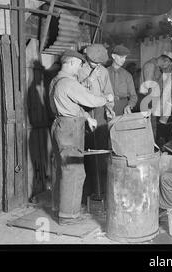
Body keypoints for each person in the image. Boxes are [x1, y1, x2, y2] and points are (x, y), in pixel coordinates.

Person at [49, 50, 114, 225]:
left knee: (62, 169)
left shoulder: (56, 80)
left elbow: (72, 104)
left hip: (60, 124)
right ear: (70, 63)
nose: (79, 68)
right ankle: (68, 216)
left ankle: (58, 207)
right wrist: (105, 99)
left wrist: (87, 117)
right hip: (70, 128)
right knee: (74, 171)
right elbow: (90, 100)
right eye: (78, 65)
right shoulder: (69, 83)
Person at [79, 44, 115, 201]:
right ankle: (88, 193)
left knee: (101, 153)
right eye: (94, 63)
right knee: (87, 153)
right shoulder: (80, 70)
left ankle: (102, 192)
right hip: (85, 113)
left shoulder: (104, 71)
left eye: (100, 63)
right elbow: (76, 92)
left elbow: (108, 93)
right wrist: (90, 79)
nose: (97, 66)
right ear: (87, 58)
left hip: (100, 114)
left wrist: (109, 107)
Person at [139, 51, 172, 138]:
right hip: (149, 99)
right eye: (169, 64)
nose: (168, 67)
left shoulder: (156, 67)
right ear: (166, 61)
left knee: (154, 126)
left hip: (153, 99)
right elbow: (149, 85)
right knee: (151, 127)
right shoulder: (150, 65)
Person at [107, 45, 138, 116]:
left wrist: (129, 105)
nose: (124, 60)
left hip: (123, 106)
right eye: (121, 57)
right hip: (107, 106)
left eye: (125, 57)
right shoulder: (104, 72)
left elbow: (133, 96)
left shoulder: (127, 75)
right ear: (113, 56)